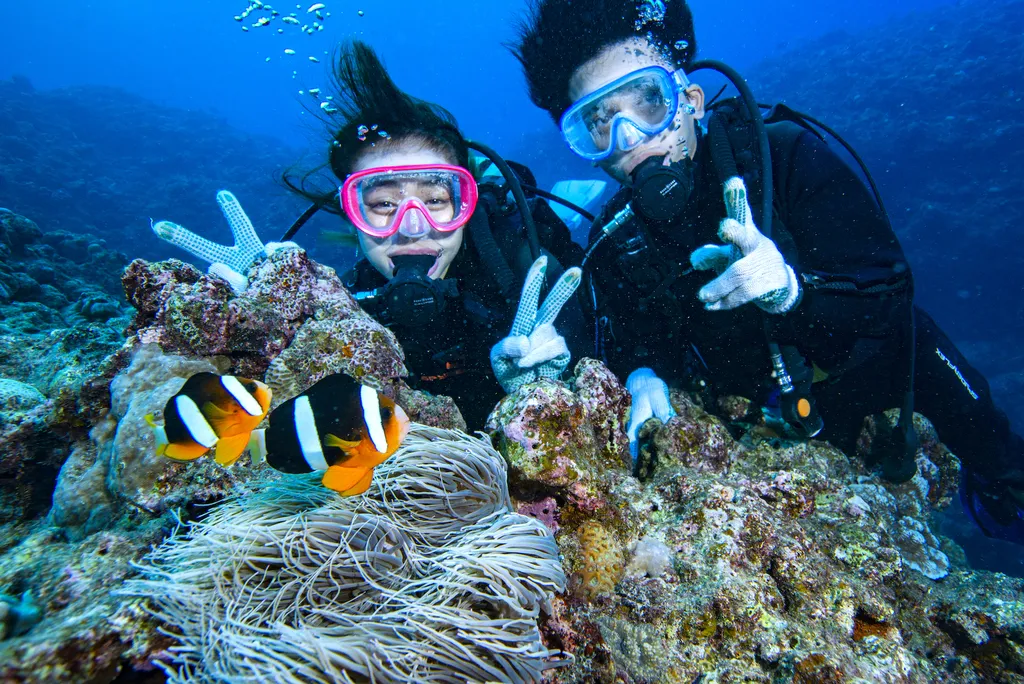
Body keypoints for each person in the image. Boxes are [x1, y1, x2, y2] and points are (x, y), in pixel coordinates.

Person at [510, 0, 1024, 543]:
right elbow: (638, 337)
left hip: (871, 371)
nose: (630, 138)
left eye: (646, 102)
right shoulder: (618, 238)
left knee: (1004, 469)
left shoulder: (784, 157)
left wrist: (792, 294)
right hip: (763, 415)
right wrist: (641, 375)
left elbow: (890, 295)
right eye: (597, 123)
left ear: (690, 101)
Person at [154, 41, 587, 430]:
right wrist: (267, 316)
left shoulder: (521, 273)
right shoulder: (336, 308)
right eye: (382, 205)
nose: (413, 227)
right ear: (351, 215)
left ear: (465, 204)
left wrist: (539, 394)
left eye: (436, 200)